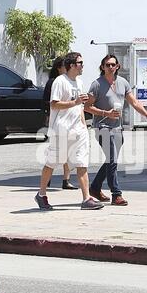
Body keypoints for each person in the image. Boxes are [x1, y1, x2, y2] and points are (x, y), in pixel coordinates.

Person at [35, 52, 104, 211]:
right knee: (52, 163)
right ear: (72, 65)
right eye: (80, 63)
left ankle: (86, 199)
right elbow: (54, 104)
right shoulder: (60, 81)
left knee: (81, 162)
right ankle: (41, 194)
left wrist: (83, 124)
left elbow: (80, 106)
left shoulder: (79, 82)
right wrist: (75, 102)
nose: (82, 66)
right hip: (61, 129)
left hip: (78, 130)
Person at [85, 54, 147, 206]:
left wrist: (146, 115)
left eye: (113, 65)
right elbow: (87, 107)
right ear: (102, 67)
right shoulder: (96, 84)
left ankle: (95, 187)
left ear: (117, 66)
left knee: (111, 160)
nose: (110, 67)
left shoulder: (123, 82)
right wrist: (106, 113)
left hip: (117, 127)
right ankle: (116, 194)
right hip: (101, 126)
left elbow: (134, 102)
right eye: (107, 65)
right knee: (112, 159)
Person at [43, 56, 78, 190]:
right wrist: (47, 116)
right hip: (57, 123)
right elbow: (48, 102)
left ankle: (66, 179)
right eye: (65, 66)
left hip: (70, 123)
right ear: (59, 68)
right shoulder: (54, 82)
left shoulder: (72, 82)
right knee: (54, 154)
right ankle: (47, 179)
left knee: (68, 153)